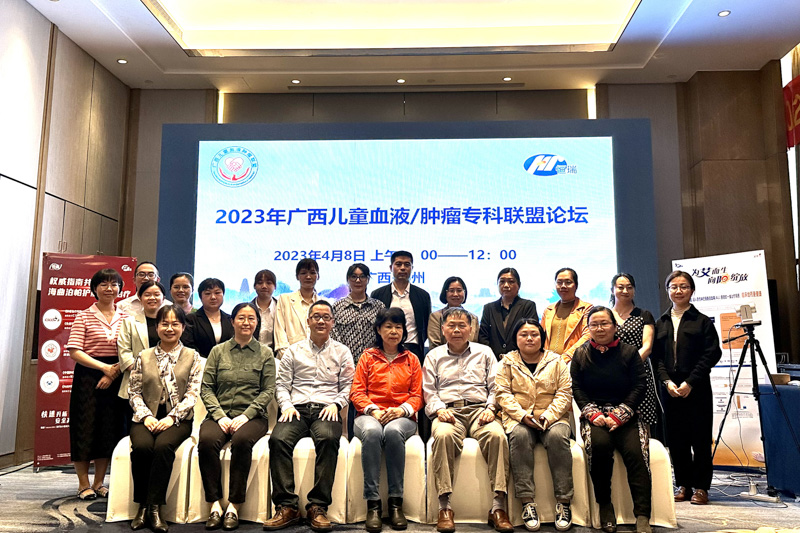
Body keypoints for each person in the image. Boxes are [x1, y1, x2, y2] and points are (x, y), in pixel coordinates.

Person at [264, 301, 355, 532]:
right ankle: (287, 507)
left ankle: (318, 506)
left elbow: (348, 386)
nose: (321, 321)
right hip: (297, 409)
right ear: (308, 321)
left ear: (332, 322)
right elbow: (282, 384)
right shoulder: (293, 351)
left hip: (327, 408)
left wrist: (336, 404)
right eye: (316, 317)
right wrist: (286, 406)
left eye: (326, 317)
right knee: (278, 440)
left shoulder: (342, 352)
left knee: (328, 439)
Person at [423, 307, 512, 533]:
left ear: (471, 329)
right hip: (448, 412)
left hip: (480, 410)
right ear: (443, 329)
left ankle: (498, 507)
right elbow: (429, 391)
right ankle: (445, 507)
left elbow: (496, 386)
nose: (457, 330)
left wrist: (491, 408)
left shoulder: (485, 352)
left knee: (497, 436)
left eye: (462, 325)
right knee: (442, 435)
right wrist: (439, 410)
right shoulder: (433, 356)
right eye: (451, 325)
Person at [571, 306, 651, 533]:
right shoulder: (580, 354)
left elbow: (640, 385)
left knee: (637, 454)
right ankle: (605, 506)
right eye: (594, 324)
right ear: (588, 328)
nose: (599, 328)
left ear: (615, 326)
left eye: (604, 323)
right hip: (594, 417)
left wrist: (619, 414)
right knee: (599, 448)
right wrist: (594, 414)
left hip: (627, 415)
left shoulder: (629, 352)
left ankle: (642, 515)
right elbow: (577, 388)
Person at [198, 302, 276, 531]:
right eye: (241, 318)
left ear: (257, 323)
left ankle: (234, 505)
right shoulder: (218, 351)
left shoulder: (265, 353)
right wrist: (219, 416)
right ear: (232, 322)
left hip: (253, 417)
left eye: (251, 318)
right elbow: (206, 388)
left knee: (241, 441)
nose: (246, 323)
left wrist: (247, 415)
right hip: (219, 414)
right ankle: (214, 504)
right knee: (207, 441)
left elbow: (268, 390)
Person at [128, 305, 203, 533]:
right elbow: (134, 391)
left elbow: (193, 394)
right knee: (142, 447)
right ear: (157, 327)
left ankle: (155, 507)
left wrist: (172, 418)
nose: (169, 329)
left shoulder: (193, 357)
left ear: (183, 327)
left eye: (175, 324)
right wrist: (145, 416)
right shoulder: (144, 356)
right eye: (164, 324)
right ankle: (142, 505)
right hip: (146, 416)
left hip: (178, 419)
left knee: (162, 447)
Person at [495, 319, 573, 532]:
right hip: (519, 418)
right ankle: (527, 503)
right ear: (516, 338)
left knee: (558, 437)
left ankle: (564, 502)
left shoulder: (556, 361)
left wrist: (548, 416)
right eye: (524, 334)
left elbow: (564, 393)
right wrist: (522, 416)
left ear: (542, 338)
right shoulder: (506, 362)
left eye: (534, 334)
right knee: (519, 436)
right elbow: (502, 393)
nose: (529, 338)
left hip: (553, 419)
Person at [350, 308, 423, 532]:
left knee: (392, 432)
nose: (393, 331)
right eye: (388, 326)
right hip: (369, 414)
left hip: (401, 416)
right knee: (372, 432)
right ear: (379, 329)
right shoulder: (368, 357)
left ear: (404, 331)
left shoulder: (411, 359)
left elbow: (417, 395)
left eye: (398, 327)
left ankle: (395, 504)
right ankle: (373, 505)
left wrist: (402, 410)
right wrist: (373, 410)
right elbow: (357, 392)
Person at [652, 271, 721, 506]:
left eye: (683, 286)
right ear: (667, 290)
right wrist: (666, 382)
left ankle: (701, 487)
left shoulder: (702, 321)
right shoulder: (661, 322)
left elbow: (712, 354)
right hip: (670, 388)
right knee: (676, 439)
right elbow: (656, 358)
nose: (678, 291)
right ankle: (683, 484)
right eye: (673, 286)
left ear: (692, 290)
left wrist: (690, 382)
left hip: (696, 387)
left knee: (700, 439)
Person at [66, 268, 127, 501]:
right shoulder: (83, 316)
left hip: (117, 375)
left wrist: (112, 372)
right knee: (84, 428)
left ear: (120, 289)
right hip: (88, 377)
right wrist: (103, 368)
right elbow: (75, 351)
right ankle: (83, 484)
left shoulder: (126, 318)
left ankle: (99, 483)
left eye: (114, 284)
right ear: (94, 288)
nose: (109, 288)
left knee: (108, 429)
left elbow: (130, 350)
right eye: (103, 284)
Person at [331, 263, 385, 437]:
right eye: (354, 276)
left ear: (368, 279)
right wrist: (344, 361)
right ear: (348, 279)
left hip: (374, 366)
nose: (358, 280)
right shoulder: (337, 307)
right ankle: (348, 441)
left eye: (362, 276)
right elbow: (334, 337)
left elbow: (383, 336)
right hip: (346, 366)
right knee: (348, 407)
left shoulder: (379, 307)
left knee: (369, 406)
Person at [609, 273, 659, 434]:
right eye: (620, 287)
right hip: (611, 374)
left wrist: (628, 366)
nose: (625, 291)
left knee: (644, 420)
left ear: (634, 290)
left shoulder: (644, 315)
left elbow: (647, 347)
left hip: (638, 373)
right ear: (612, 290)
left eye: (629, 287)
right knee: (613, 418)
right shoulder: (606, 315)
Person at [118, 281, 167, 433]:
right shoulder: (129, 322)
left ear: (164, 298)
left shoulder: (171, 323)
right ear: (140, 298)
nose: (152, 298)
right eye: (147, 294)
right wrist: (146, 372)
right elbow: (124, 353)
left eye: (156, 294)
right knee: (134, 433)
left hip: (166, 387)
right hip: (136, 386)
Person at [371, 251, 431, 362]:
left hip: (414, 349)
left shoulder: (423, 295)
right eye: (398, 264)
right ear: (391, 267)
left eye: (407, 265)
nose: (403, 268)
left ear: (412, 268)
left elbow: (427, 324)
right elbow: (376, 323)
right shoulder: (378, 294)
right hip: (385, 349)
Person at [479, 268, 538, 359]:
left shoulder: (528, 306)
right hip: (493, 360)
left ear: (519, 285)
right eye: (502, 281)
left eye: (511, 281)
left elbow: (531, 334)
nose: (506, 285)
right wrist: (491, 358)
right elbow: (483, 337)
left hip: (520, 360)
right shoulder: (489, 308)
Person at [274, 259, 323, 359]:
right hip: (288, 359)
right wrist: (292, 360)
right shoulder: (284, 299)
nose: (308, 276)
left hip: (318, 359)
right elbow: (280, 333)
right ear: (297, 276)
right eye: (303, 273)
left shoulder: (323, 303)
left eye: (312, 273)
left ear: (318, 276)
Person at [541, 268, 592, 363]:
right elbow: (540, 338)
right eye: (559, 282)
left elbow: (587, 336)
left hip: (574, 362)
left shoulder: (586, 309)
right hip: (548, 363)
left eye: (568, 282)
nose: (563, 286)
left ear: (576, 285)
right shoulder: (548, 310)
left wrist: (565, 358)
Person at [182, 278, 233, 358]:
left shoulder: (230, 319)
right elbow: (189, 346)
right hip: (199, 363)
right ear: (200, 297)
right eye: (208, 293)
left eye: (217, 293)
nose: (213, 297)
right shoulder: (190, 319)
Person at [428, 277, 479, 349]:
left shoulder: (473, 318)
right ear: (445, 293)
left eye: (459, 290)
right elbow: (434, 346)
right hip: (442, 356)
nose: (455, 294)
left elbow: (476, 345)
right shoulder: (436, 317)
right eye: (451, 291)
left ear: (464, 293)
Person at [251, 269, 277, 350]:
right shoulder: (247, 309)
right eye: (260, 283)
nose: (264, 286)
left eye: (269, 283)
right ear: (254, 286)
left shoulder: (281, 308)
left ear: (275, 286)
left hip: (275, 354)